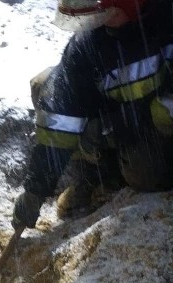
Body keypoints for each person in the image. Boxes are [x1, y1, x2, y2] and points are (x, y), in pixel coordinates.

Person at [12, 0, 173, 230]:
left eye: (101, 15)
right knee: (45, 86)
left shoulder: (166, 21)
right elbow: (61, 112)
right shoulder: (92, 40)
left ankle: (121, 176)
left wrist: (112, 127)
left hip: (158, 128)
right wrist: (35, 190)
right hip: (123, 119)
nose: (92, 23)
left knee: (143, 169)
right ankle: (98, 175)